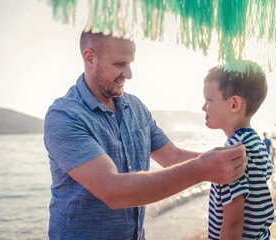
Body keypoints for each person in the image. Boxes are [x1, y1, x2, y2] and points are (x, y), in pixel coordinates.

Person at [44, 29, 247, 239]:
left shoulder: (136, 107)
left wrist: (232, 160)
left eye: (131, 62)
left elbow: (173, 157)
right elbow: (113, 191)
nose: (129, 74)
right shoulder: (64, 116)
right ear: (90, 58)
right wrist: (202, 170)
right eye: (119, 64)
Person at [202, 60, 274, 239]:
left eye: (209, 100)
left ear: (234, 104)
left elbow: (233, 224)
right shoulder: (254, 141)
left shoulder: (233, 152)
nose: (203, 107)